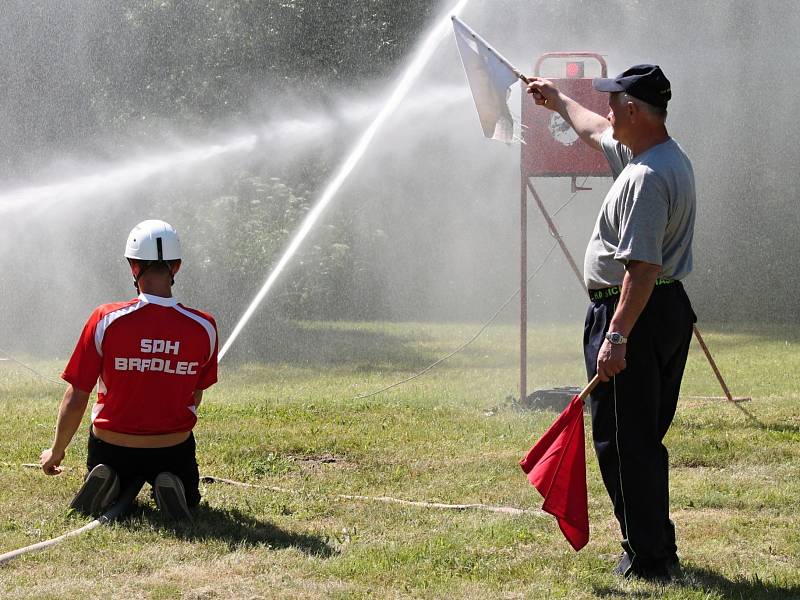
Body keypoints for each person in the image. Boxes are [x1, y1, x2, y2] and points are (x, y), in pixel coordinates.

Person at [527, 65, 696, 580]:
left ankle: (649, 558)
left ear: (633, 110)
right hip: (662, 310)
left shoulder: (646, 178)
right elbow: (593, 129)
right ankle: (651, 545)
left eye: (612, 102)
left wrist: (616, 336)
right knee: (638, 435)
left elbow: (641, 270)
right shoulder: (657, 155)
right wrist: (557, 100)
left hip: (635, 315)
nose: (605, 111)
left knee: (625, 442)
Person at [40, 219, 218, 520]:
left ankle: (110, 479)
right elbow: (195, 393)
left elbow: (77, 395)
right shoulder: (204, 326)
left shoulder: (106, 318)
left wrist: (55, 451)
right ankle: (173, 484)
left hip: (112, 444)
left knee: (113, 468)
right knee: (186, 490)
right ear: (176, 267)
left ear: (133, 266)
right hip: (172, 446)